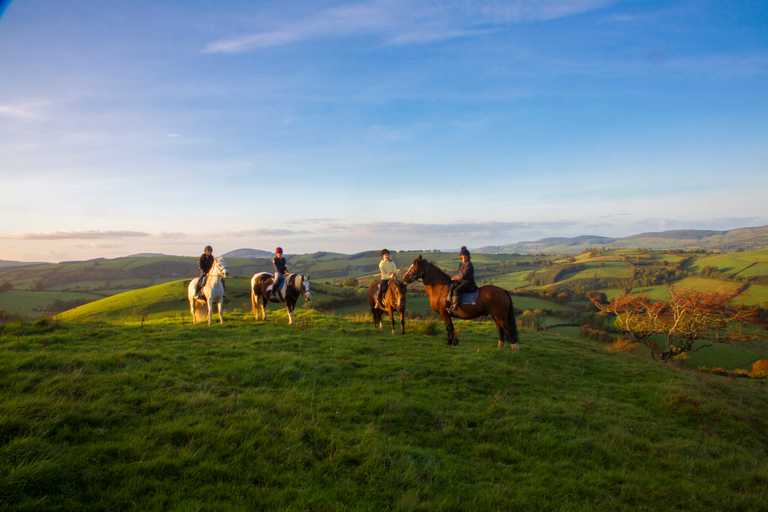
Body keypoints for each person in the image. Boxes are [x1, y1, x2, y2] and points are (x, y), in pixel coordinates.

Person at [448, 246, 477, 313]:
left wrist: (454, 278)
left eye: (464, 256)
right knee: (452, 286)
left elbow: (462, 275)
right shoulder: (461, 264)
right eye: (462, 256)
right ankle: (449, 300)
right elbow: (458, 273)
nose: (463, 258)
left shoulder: (469, 264)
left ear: (467, 256)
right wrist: (454, 278)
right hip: (462, 281)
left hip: (468, 282)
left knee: (456, 290)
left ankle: (455, 306)